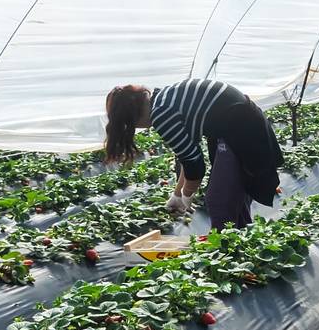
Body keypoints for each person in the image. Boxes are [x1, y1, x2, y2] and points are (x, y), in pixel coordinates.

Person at [104, 79, 280, 230]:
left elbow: (195, 165)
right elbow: (188, 154)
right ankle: (240, 247)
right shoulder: (164, 98)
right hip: (240, 125)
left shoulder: (161, 114)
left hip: (243, 131)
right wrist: (177, 194)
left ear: (133, 117)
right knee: (234, 198)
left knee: (219, 200)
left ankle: (228, 253)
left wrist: (187, 196)